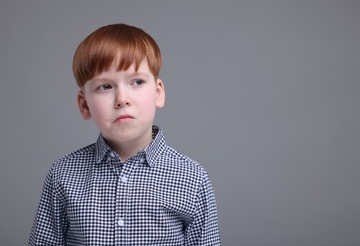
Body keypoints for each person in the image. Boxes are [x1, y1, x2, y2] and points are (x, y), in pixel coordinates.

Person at [29, 23, 221, 245]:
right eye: (105, 87)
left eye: (137, 82)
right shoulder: (63, 175)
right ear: (84, 105)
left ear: (158, 93)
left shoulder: (192, 179)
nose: (122, 98)